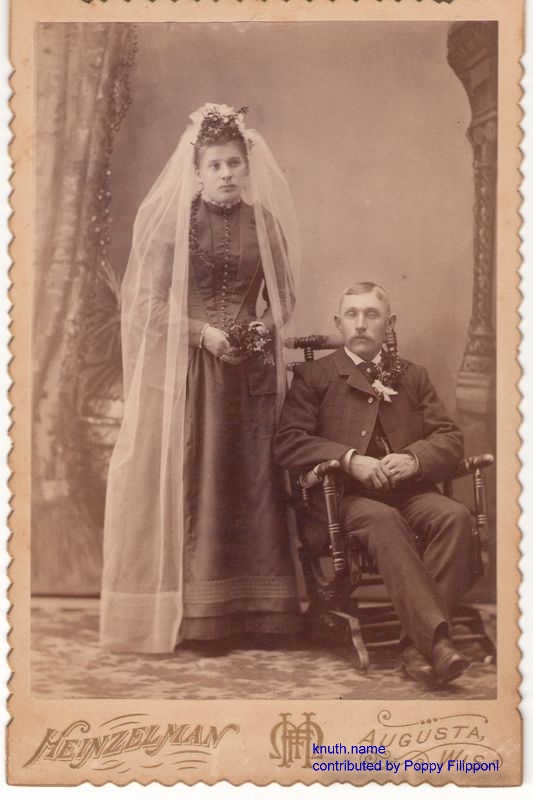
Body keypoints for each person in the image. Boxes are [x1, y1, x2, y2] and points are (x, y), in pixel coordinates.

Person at [100, 104, 301, 652]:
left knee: (253, 484)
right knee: (202, 482)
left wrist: (259, 331)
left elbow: (283, 299)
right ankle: (201, 618)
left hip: (250, 376)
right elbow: (141, 304)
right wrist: (201, 334)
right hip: (192, 374)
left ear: (246, 167)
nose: (227, 173)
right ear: (197, 169)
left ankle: (260, 615)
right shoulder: (174, 225)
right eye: (215, 165)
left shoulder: (267, 225)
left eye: (235, 163)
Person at [273, 282, 473, 685]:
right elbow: (289, 441)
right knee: (382, 520)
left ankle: (416, 647)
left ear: (390, 323)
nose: (361, 324)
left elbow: (449, 438)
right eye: (352, 315)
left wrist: (414, 460)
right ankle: (435, 643)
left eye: (372, 314)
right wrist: (349, 460)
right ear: (338, 323)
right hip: (345, 498)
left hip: (408, 491)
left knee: (455, 516)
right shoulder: (315, 376)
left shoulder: (412, 376)